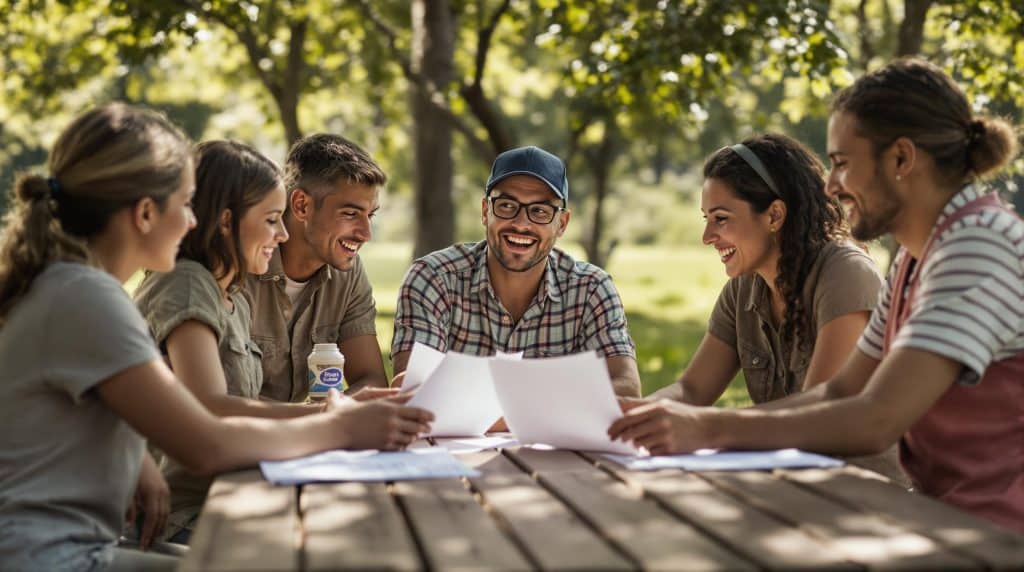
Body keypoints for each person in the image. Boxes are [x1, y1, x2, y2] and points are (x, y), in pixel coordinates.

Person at [0, 103, 433, 571]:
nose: (193, 221)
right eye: (186, 204)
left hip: (77, 545)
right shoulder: (86, 297)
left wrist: (137, 464)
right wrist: (340, 426)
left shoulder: (78, 288)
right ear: (146, 213)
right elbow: (204, 443)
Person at [609, 58, 1023, 532]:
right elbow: (840, 391)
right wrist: (668, 419)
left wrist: (707, 428)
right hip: (940, 521)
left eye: (842, 164)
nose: (830, 186)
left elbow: (876, 419)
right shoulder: (917, 259)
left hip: (995, 534)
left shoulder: (977, 245)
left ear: (902, 159)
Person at [133, 140, 400, 544]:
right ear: (227, 221)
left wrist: (338, 417)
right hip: (191, 511)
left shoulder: (228, 292)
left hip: (255, 485)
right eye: (272, 220)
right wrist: (334, 422)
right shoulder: (192, 283)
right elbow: (208, 407)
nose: (280, 235)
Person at [391, 145, 641, 399]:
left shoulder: (591, 289)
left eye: (540, 211)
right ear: (485, 211)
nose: (522, 224)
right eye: (507, 206)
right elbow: (412, 391)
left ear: (562, 223)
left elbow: (625, 388)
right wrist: (555, 402)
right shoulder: (433, 278)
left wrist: (469, 399)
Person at [650, 133, 881, 405]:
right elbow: (691, 391)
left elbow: (817, 410)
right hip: (779, 449)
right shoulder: (743, 290)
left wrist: (702, 425)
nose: (707, 237)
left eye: (721, 219)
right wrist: (632, 415)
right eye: (707, 219)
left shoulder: (846, 274)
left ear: (774, 215)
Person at [245, 134, 389, 403]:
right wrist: (323, 418)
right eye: (350, 214)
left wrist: (327, 414)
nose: (366, 234)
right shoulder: (242, 262)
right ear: (302, 206)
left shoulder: (348, 272)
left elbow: (371, 381)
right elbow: (220, 402)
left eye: (370, 216)